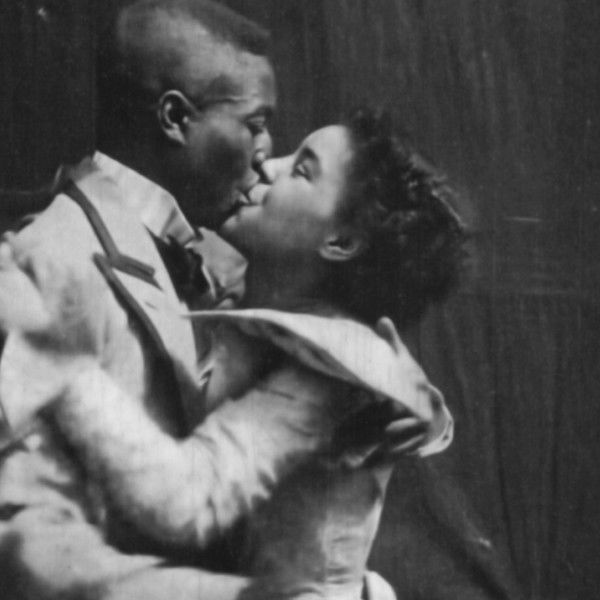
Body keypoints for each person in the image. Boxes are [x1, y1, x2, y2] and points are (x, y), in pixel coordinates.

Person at [0, 108, 465, 599]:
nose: (267, 165)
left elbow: (187, 499)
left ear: (340, 241)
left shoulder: (329, 358)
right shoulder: (248, 293)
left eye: (301, 171)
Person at [0, 1, 276, 598]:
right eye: (255, 125)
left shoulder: (213, 261)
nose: (268, 153)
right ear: (175, 118)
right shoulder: (50, 261)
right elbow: (25, 544)